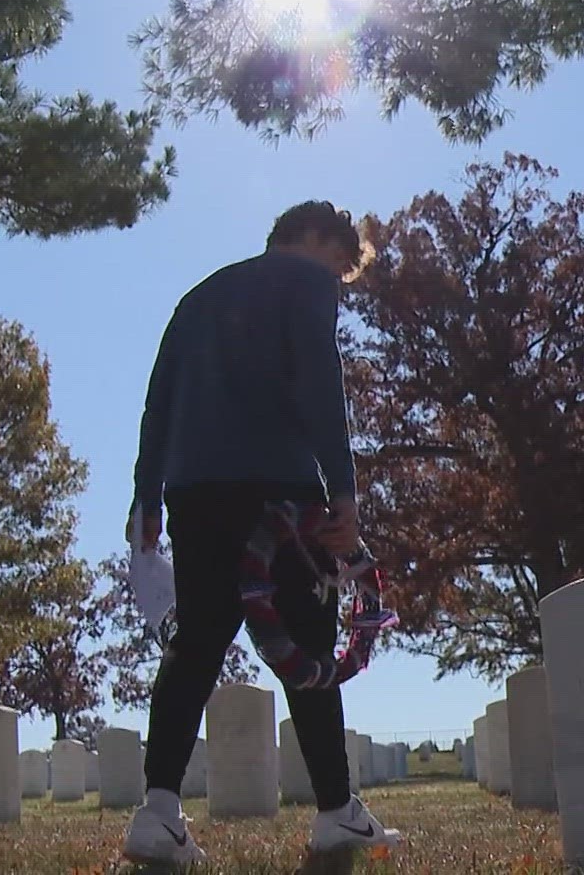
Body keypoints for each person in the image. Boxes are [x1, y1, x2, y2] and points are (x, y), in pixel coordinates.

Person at [121, 201, 403, 866]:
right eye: (338, 263)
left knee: (197, 640)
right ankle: (337, 810)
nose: (335, 279)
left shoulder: (198, 297)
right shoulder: (305, 283)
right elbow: (319, 385)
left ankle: (158, 811)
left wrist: (146, 493)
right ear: (314, 239)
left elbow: (159, 396)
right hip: (279, 489)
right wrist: (344, 493)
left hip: (195, 489)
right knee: (309, 641)